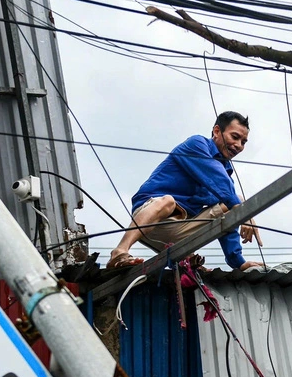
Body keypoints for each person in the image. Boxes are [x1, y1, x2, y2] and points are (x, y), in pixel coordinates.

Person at [108, 111, 264, 271]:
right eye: (235, 137)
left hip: (179, 229)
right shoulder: (196, 144)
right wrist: (244, 213)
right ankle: (120, 251)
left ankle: (187, 258)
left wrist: (239, 262)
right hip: (150, 218)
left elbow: (229, 204)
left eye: (244, 142)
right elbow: (215, 175)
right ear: (217, 131)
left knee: (233, 203)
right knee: (169, 201)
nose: (239, 145)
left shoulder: (225, 175)